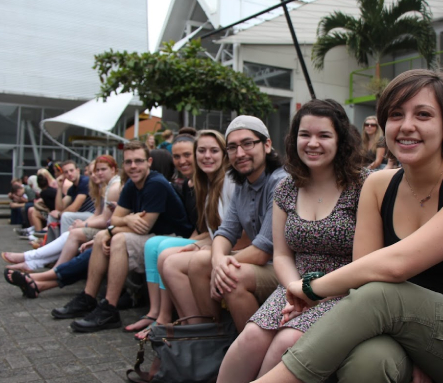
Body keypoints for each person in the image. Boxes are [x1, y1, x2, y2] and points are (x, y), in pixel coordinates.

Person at [172, 69, 443, 383]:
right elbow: (361, 272)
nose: (407, 125)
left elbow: (393, 267)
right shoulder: (378, 185)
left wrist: (307, 289)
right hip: (405, 329)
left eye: (424, 114)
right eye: (396, 114)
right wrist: (420, 353)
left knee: (381, 291)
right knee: (365, 364)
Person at [211, 99, 368, 383]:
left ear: (341, 139)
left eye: (324, 135)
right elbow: (282, 254)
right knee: (251, 337)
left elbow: (365, 262)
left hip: (343, 290)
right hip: (294, 285)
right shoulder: (287, 187)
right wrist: (295, 288)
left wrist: (314, 292)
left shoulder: (363, 186)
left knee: (285, 341)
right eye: (305, 135)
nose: (313, 143)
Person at [51, 140, 193, 332]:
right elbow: (116, 219)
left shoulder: (156, 183)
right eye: (128, 162)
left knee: (117, 238)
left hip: (171, 237)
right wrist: (126, 221)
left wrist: (115, 227)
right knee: (103, 237)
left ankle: (109, 308)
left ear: (149, 162)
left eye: (138, 161)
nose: (133, 166)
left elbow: (142, 227)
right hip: (152, 236)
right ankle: (88, 298)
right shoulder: (132, 185)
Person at [163, 116, 286, 333]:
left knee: (230, 275)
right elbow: (226, 232)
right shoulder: (243, 183)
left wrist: (220, 267)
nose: (240, 153)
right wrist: (218, 260)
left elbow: (262, 252)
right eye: (232, 147)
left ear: (267, 145)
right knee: (202, 261)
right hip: (263, 264)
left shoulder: (279, 181)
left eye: (248, 144)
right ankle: (212, 334)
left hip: (287, 268)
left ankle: (249, 346)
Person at [125, 131, 234, 335]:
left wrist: (198, 245)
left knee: (168, 254)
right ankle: (169, 318)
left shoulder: (228, 182)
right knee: (161, 250)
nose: (206, 156)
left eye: (213, 150)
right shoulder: (202, 184)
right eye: (201, 151)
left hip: (228, 246)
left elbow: (231, 232)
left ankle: (188, 327)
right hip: (214, 241)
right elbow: (205, 227)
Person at [2, 156, 120, 275]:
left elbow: (80, 210)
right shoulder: (97, 186)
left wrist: (83, 224)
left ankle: (37, 261)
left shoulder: (95, 184)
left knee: (68, 224)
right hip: (100, 224)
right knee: (57, 219)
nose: (95, 174)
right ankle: (33, 262)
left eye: (101, 170)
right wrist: (59, 188)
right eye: (93, 172)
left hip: (107, 228)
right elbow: (59, 207)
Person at [50, 160, 96, 233]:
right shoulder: (72, 189)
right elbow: (58, 208)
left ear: (77, 170)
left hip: (92, 214)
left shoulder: (85, 181)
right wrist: (59, 187)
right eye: (66, 172)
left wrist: (59, 214)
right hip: (82, 214)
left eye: (71, 170)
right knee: (52, 216)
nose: (69, 174)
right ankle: (52, 242)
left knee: (66, 216)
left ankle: (64, 243)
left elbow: (74, 208)